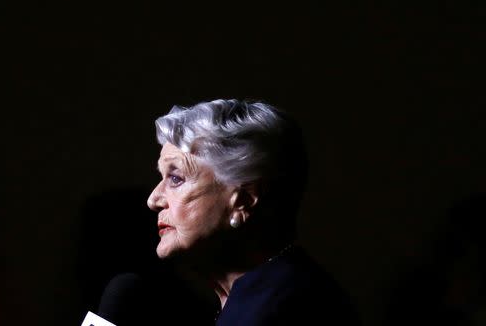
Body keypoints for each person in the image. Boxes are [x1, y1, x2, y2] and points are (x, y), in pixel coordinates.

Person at [147, 99, 359, 325]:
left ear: (244, 200)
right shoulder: (258, 297)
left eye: (176, 178)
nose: (154, 200)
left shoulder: (290, 309)